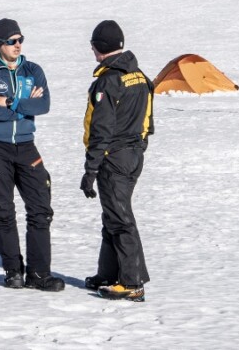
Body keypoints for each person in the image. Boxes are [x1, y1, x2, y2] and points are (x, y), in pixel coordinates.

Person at [0, 18, 64, 291]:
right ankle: (13, 270)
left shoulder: (33, 70)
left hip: (26, 145)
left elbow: (45, 105)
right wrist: (27, 106)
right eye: (12, 41)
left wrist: (11, 102)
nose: (18, 45)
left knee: (40, 209)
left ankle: (39, 274)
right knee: (4, 210)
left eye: (20, 39)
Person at [80, 19, 154, 302]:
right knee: (112, 216)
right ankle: (107, 274)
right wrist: (138, 147)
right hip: (132, 155)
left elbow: (101, 129)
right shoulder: (139, 76)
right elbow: (148, 120)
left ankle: (132, 282)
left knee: (121, 219)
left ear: (98, 48)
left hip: (114, 158)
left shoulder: (109, 81)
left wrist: (91, 169)